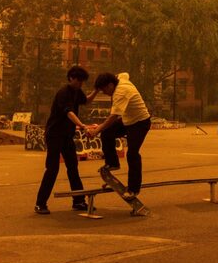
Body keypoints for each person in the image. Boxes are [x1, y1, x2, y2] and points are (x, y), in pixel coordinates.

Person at [34, 65, 97, 214]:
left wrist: (96, 90)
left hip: (67, 136)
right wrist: (82, 125)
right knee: (52, 169)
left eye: (82, 81)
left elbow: (86, 101)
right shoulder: (63, 93)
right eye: (78, 80)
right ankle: (40, 203)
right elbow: (68, 112)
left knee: (73, 167)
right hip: (54, 135)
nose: (80, 83)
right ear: (71, 78)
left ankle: (78, 201)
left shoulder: (77, 91)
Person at [88, 72, 151, 199]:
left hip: (140, 123)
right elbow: (125, 73)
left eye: (105, 90)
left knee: (132, 154)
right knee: (107, 133)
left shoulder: (120, 93)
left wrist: (96, 130)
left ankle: (133, 189)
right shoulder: (120, 79)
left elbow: (113, 117)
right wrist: (97, 88)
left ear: (111, 85)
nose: (105, 93)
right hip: (127, 121)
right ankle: (112, 163)